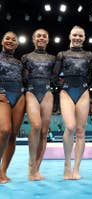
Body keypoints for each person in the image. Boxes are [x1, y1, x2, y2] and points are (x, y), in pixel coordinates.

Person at [53, 25, 92, 180]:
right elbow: (55, 75)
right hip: (66, 91)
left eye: (80, 35)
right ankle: (67, 164)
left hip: (83, 92)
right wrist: (62, 84)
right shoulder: (62, 54)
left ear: (84, 38)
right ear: (70, 36)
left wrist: (86, 87)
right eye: (75, 35)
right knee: (70, 127)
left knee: (81, 131)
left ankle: (76, 168)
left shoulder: (89, 54)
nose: (77, 38)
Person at [21, 28, 56, 181]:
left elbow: (57, 75)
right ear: (33, 39)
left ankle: (37, 168)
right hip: (31, 91)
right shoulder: (25, 57)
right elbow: (20, 77)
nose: (41, 38)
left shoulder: (53, 58)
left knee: (43, 132)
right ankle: (30, 164)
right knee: (36, 125)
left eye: (44, 36)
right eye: (38, 36)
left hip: (47, 92)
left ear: (47, 40)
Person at [0, 32, 26, 184]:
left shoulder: (19, 63)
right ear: (2, 41)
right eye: (7, 38)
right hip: (2, 95)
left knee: (13, 135)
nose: (10, 41)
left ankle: (3, 171)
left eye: (13, 40)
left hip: (19, 96)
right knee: (4, 130)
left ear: (17, 44)